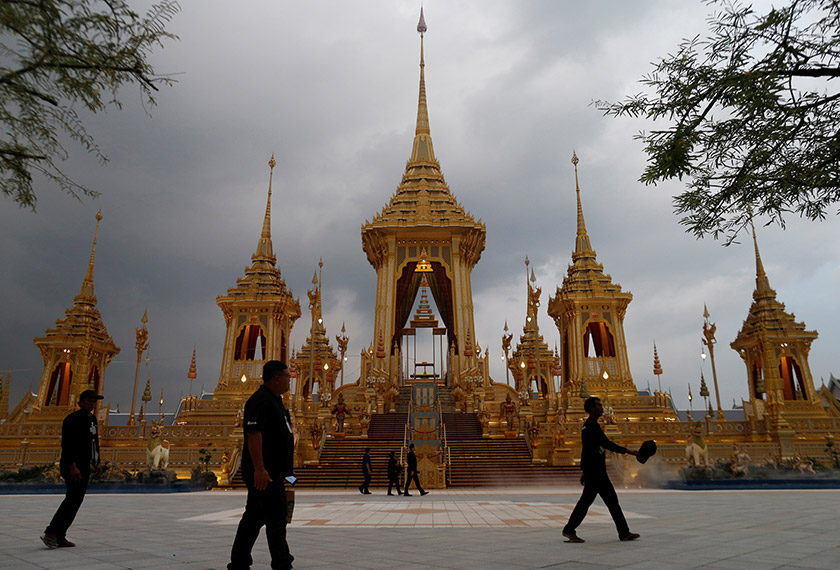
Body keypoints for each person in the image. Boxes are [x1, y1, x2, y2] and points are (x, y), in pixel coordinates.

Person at [228, 361, 295, 570]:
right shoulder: (259, 401)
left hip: (273, 473)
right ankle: (282, 562)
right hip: (264, 473)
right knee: (276, 518)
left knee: (255, 517)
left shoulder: (277, 402)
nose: (289, 380)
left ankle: (239, 561)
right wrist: (259, 468)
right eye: (287, 376)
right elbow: (254, 435)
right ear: (276, 378)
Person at [563, 396, 640, 543]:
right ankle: (623, 533)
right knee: (604, 502)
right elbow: (606, 444)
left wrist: (584, 471)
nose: (602, 408)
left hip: (595, 472)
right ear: (592, 408)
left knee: (597, 502)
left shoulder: (589, 426)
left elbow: (588, 450)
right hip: (596, 473)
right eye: (599, 405)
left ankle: (623, 532)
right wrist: (630, 451)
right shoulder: (591, 426)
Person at [41, 389, 103, 549]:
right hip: (71, 465)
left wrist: (97, 462)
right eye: (89, 401)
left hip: (84, 464)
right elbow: (67, 444)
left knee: (76, 500)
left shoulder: (92, 420)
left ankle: (60, 535)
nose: (92, 404)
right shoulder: (72, 419)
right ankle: (51, 532)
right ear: (81, 401)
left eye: (94, 401)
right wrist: (72, 466)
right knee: (71, 499)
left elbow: (94, 443)